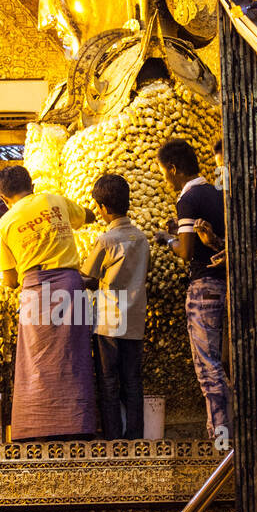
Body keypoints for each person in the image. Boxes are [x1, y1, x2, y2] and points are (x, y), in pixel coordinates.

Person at [0, 163, 97, 440]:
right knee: (73, 356)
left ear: (4, 199)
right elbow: (86, 216)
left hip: (34, 290)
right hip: (70, 288)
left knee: (35, 361)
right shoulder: (53, 200)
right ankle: (78, 427)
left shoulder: (3, 224)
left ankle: (37, 429)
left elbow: (9, 281)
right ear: (32, 186)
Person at [156, 138, 232, 444]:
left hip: (203, 289)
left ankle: (221, 438)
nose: (164, 178)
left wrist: (167, 240)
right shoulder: (217, 193)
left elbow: (186, 251)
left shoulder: (186, 199)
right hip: (228, 285)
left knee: (208, 365)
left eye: (163, 171)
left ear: (173, 169)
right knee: (227, 362)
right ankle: (231, 433)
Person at [81, 173, 149, 440]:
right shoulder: (141, 239)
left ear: (104, 209)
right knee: (133, 381)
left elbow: (88, 276)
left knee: (108, 381)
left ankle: (113, 438)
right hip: (135, 320)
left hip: (109, 321)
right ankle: (136, 438)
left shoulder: (105, 241)